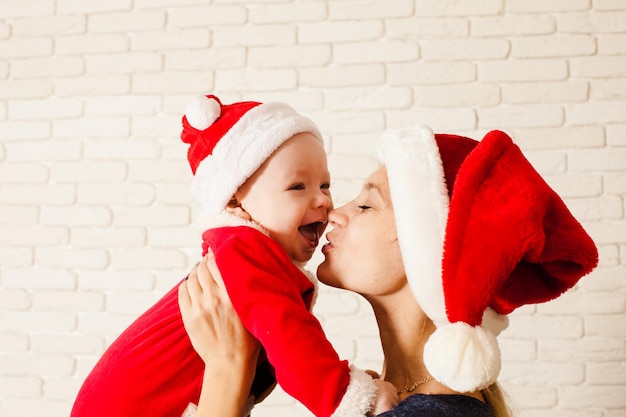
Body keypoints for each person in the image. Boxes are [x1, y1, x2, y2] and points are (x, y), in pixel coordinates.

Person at [179, 126, 600, 417]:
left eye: (366, 205)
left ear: (432, 250)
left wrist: (226, 371)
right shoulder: (400, 400)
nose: (332, 212)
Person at [70, 95, 397, 417]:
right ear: (234, 201)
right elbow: (291, 339)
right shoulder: (245, 249)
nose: (324, 201)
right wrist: (349, 396)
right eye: (298, 187)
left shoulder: (238, 255)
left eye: (324, 185)